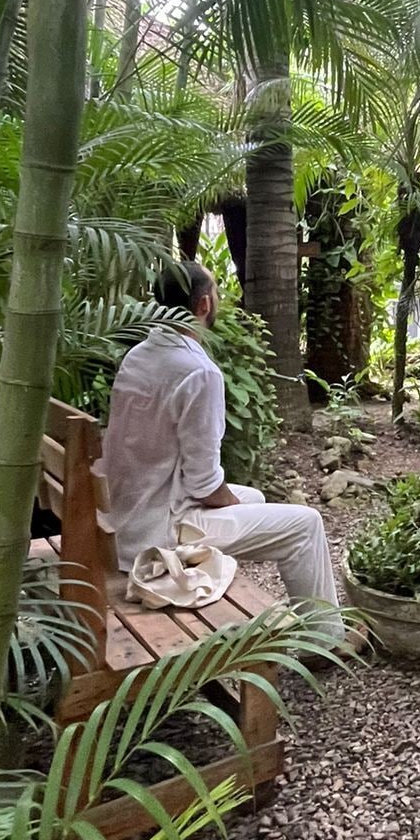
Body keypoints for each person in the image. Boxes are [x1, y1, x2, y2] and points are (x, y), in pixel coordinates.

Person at [104, 259, 345, 646]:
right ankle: (326, 640)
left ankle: (243, 601)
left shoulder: (140, 355)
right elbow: (204, 484)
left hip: (127, 512)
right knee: (306, 525)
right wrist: (226, 499)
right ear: (203, 305)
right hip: (157, 535)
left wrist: (231, 500)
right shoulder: (198, 372)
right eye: (216, 293)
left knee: (255, 498)